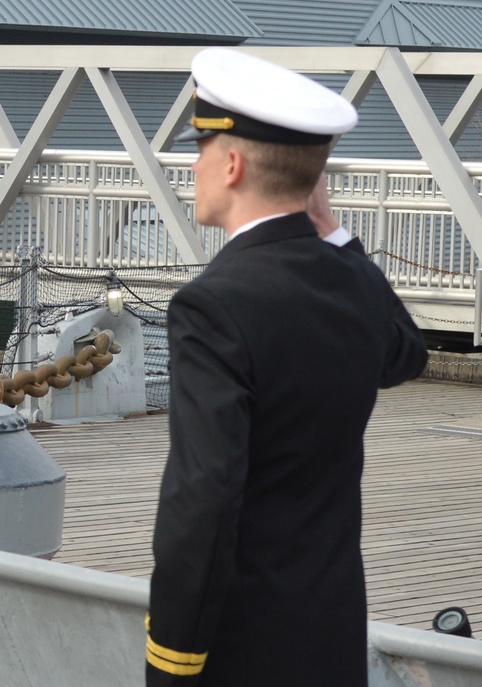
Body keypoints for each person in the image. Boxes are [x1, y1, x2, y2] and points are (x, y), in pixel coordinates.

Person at [145, 48, 427, 686]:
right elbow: (407, 350)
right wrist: (333, 234)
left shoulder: (212, 305)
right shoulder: (351, 282)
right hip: (328, 638)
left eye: (201, 150)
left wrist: (173, 661)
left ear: (234, 163)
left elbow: (204, 502)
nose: (195, 166)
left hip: (243, 652)